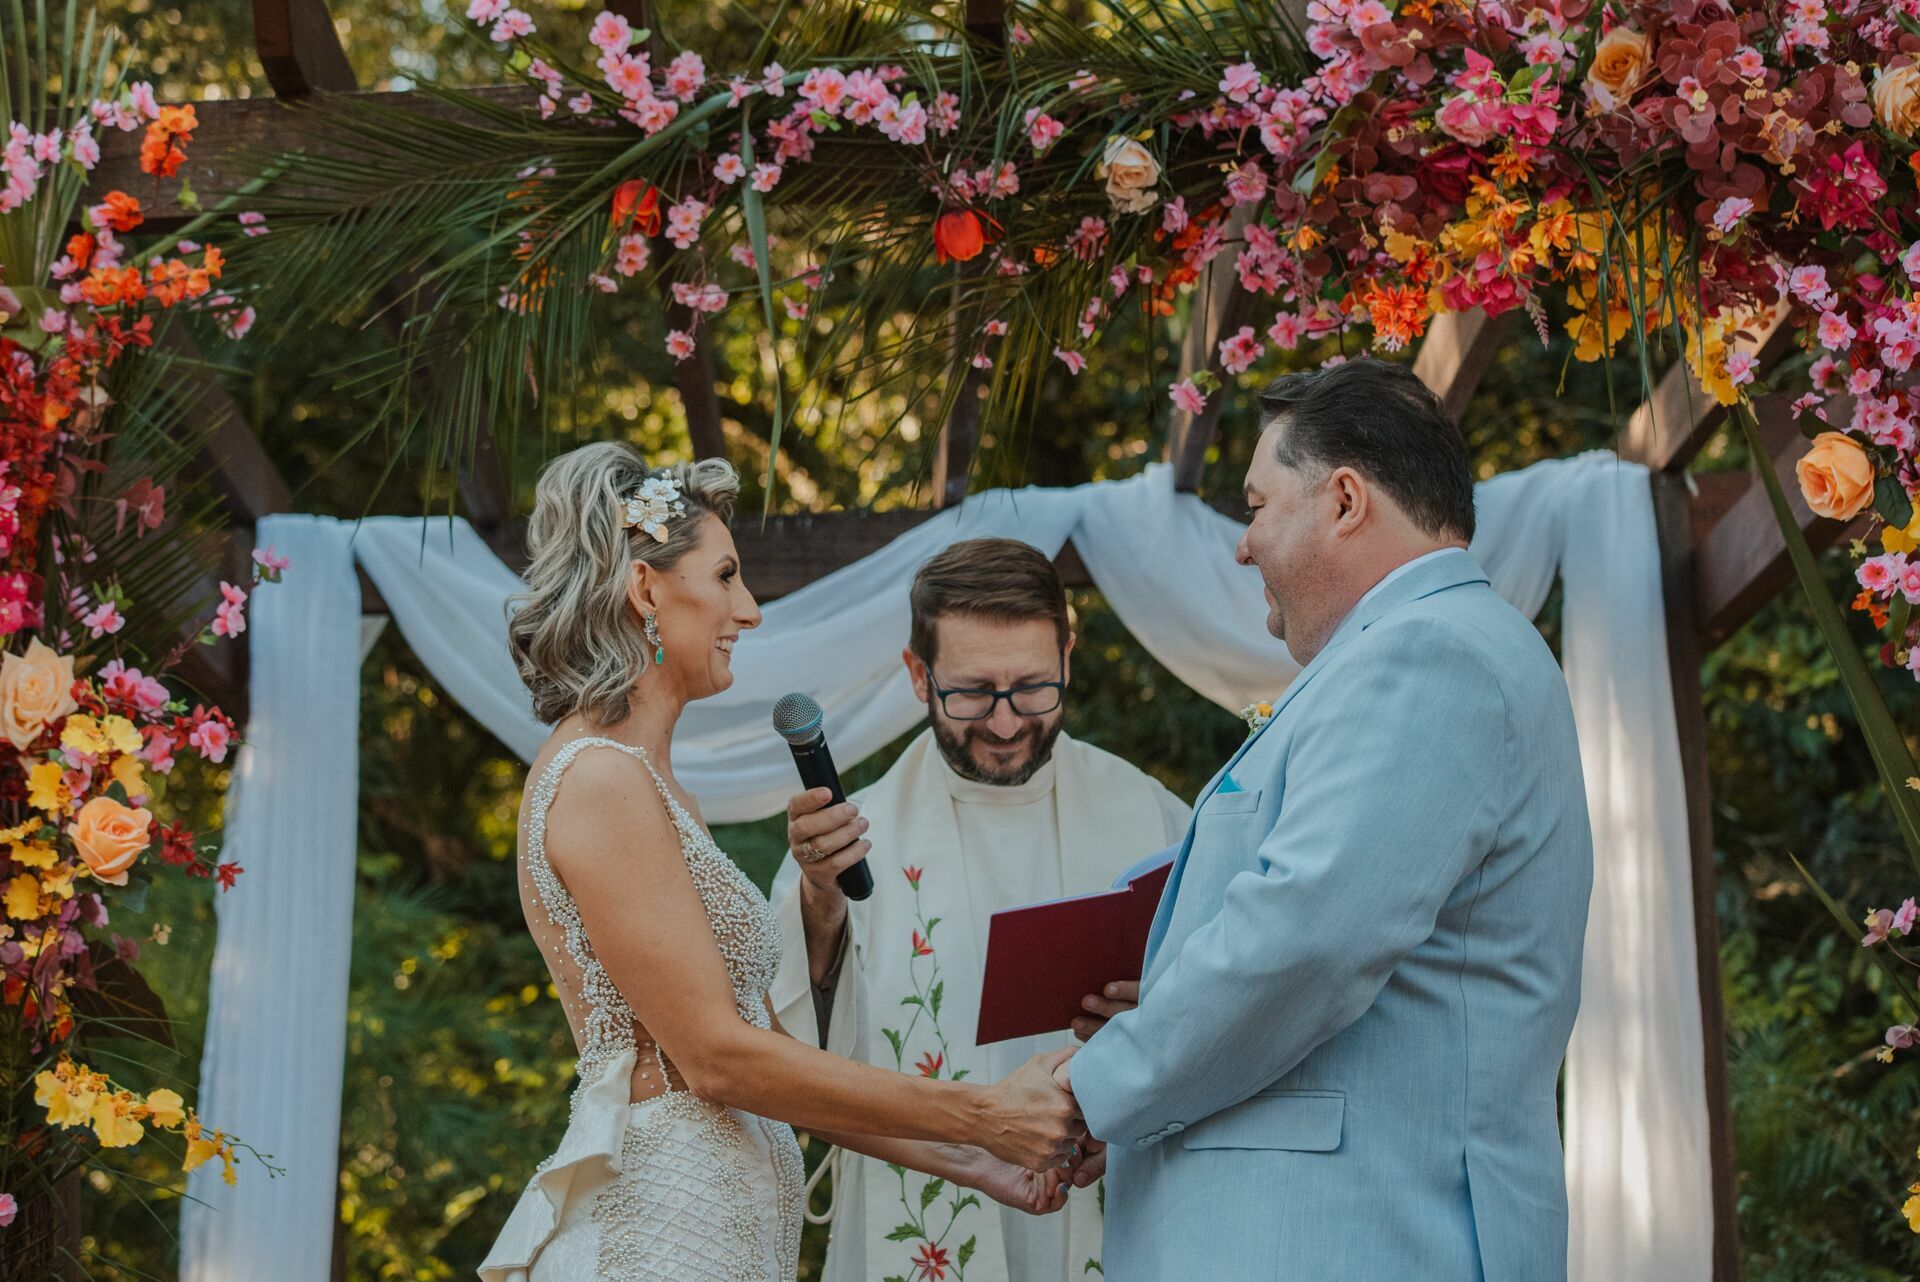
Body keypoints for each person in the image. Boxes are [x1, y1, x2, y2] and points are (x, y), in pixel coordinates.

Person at [478, 445, 1083, 1282]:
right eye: (726, 576)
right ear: (646, 589)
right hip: (659, 1241)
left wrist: (975, 1163)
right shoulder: (599, 781)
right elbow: (719, 1060)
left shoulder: (653, 784)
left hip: (721, 1244)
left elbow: (773, 1055)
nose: (751, 610)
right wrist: (983, 1113)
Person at [1061, 357, 1594, 1282]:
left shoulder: (1430, 655)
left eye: (1257, 505)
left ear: (1344, 500)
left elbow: (1306, 939)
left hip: (1357, 1236)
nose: (1241, 544)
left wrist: (1093, 1093)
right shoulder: (1412, 655)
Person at [769, 539, 1189, 1282]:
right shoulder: (847, 846)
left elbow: (1233, 1008)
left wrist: (1158, 1016)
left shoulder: (1154, 818)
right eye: (971, 692)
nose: (1003, 723)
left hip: (1114, 1196)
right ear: (916, 674)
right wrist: (821, 903)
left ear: (1067, 654)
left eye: (1032, 686)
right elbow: (791, 1063)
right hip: (918, 1212)